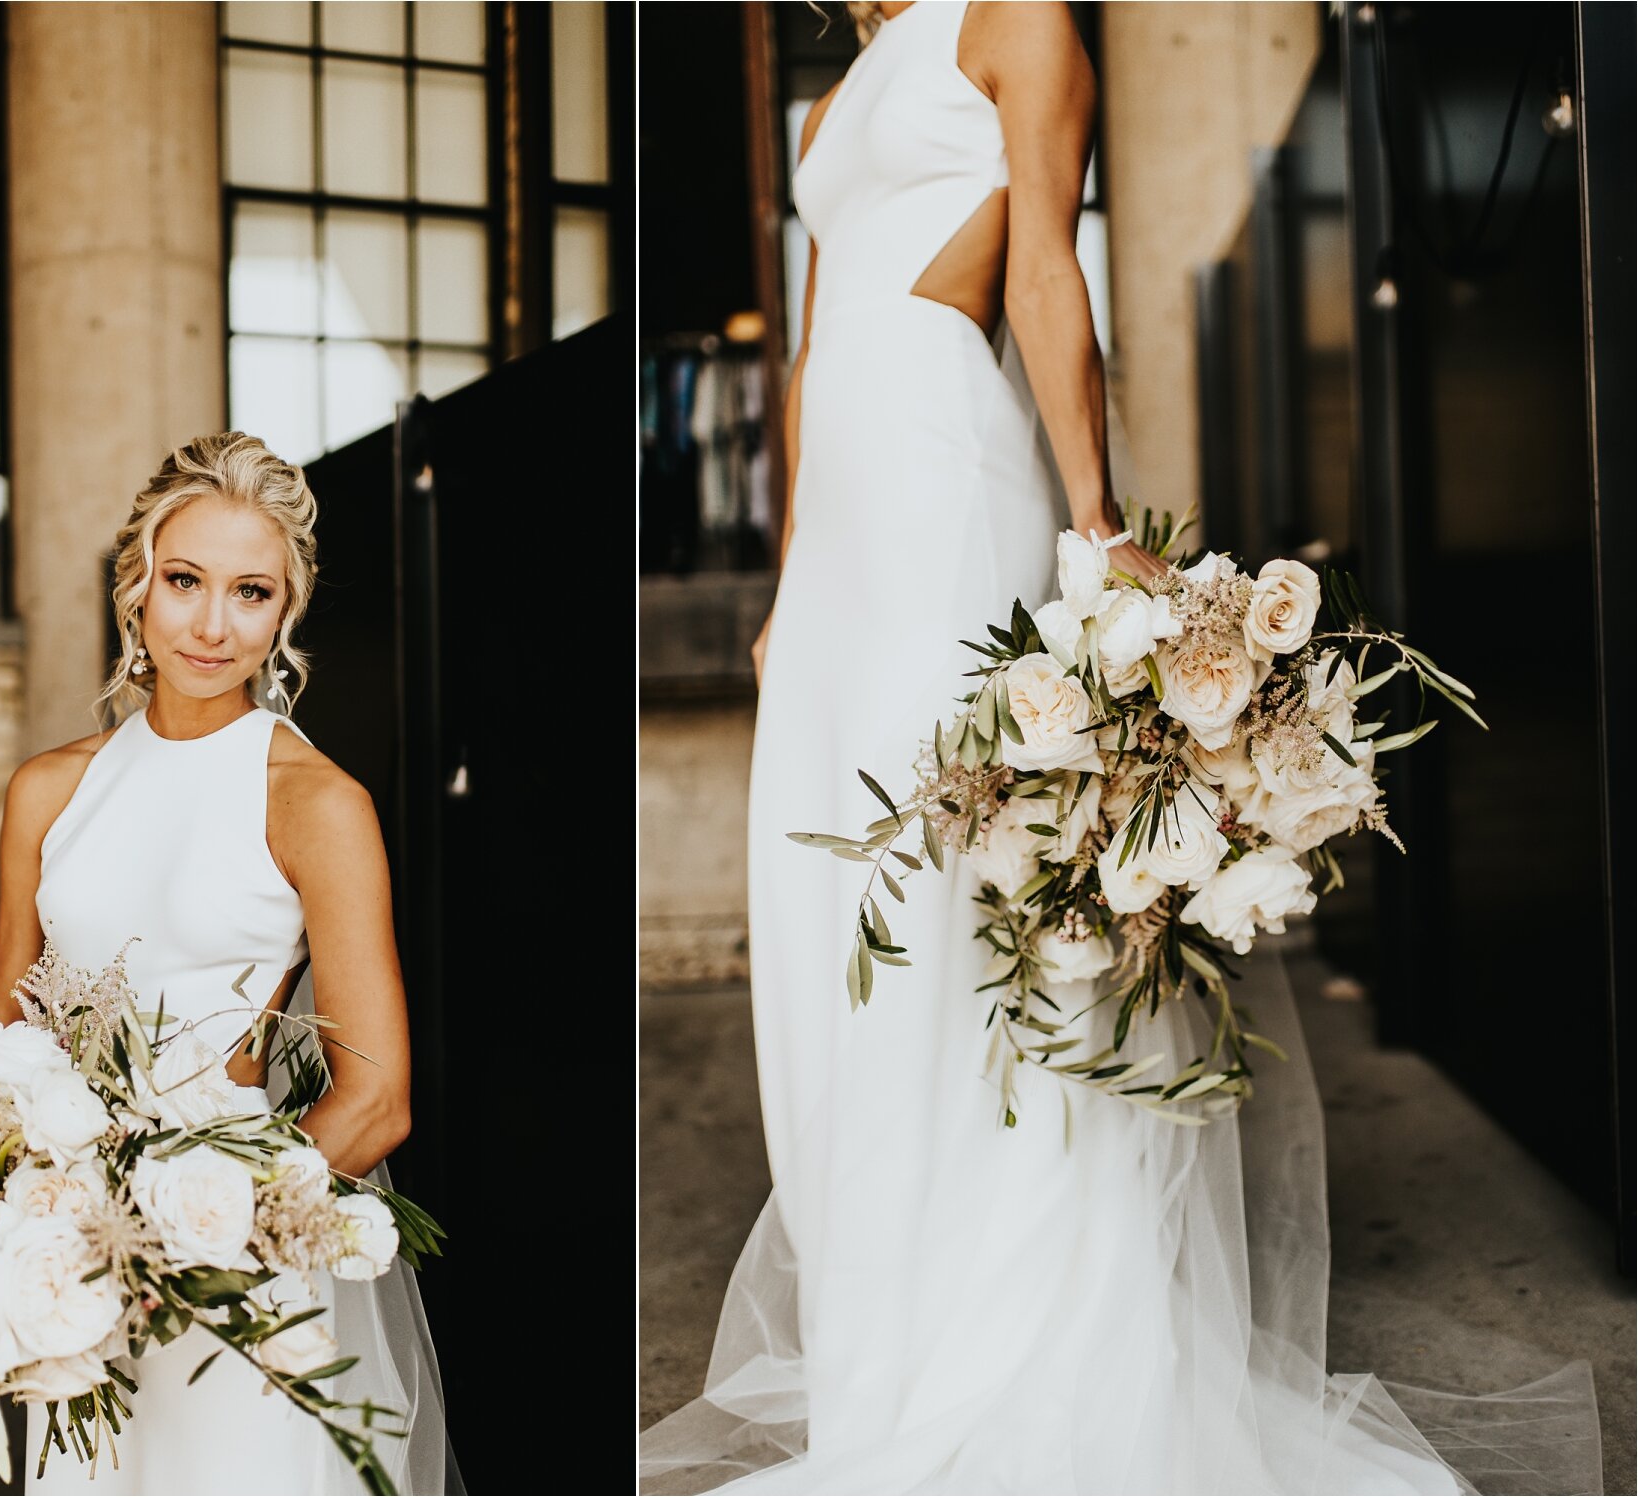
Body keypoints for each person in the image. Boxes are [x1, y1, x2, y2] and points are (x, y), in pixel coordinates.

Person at [640, 3, 1601, 1494]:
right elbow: (814, 348)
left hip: (949, 467)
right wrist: (780, 587)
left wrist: (1094, 528)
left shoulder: (1018, 19)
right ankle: (879, 1330)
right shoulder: (842, 91)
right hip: (842, 520)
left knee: (954, 886)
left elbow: (1038, 267)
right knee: (826, 892)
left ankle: (1000, 1335)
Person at [0, 433, 451, 1495]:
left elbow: (376, 1103)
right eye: (185, 580)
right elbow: (2, 1042)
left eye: (250, 592)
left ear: (285, 614)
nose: (210, 623)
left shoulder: (316, 803)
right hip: (75, 1263)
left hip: (242, 1262)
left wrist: (206, 1230)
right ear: (135, 585)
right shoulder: (47, 792)